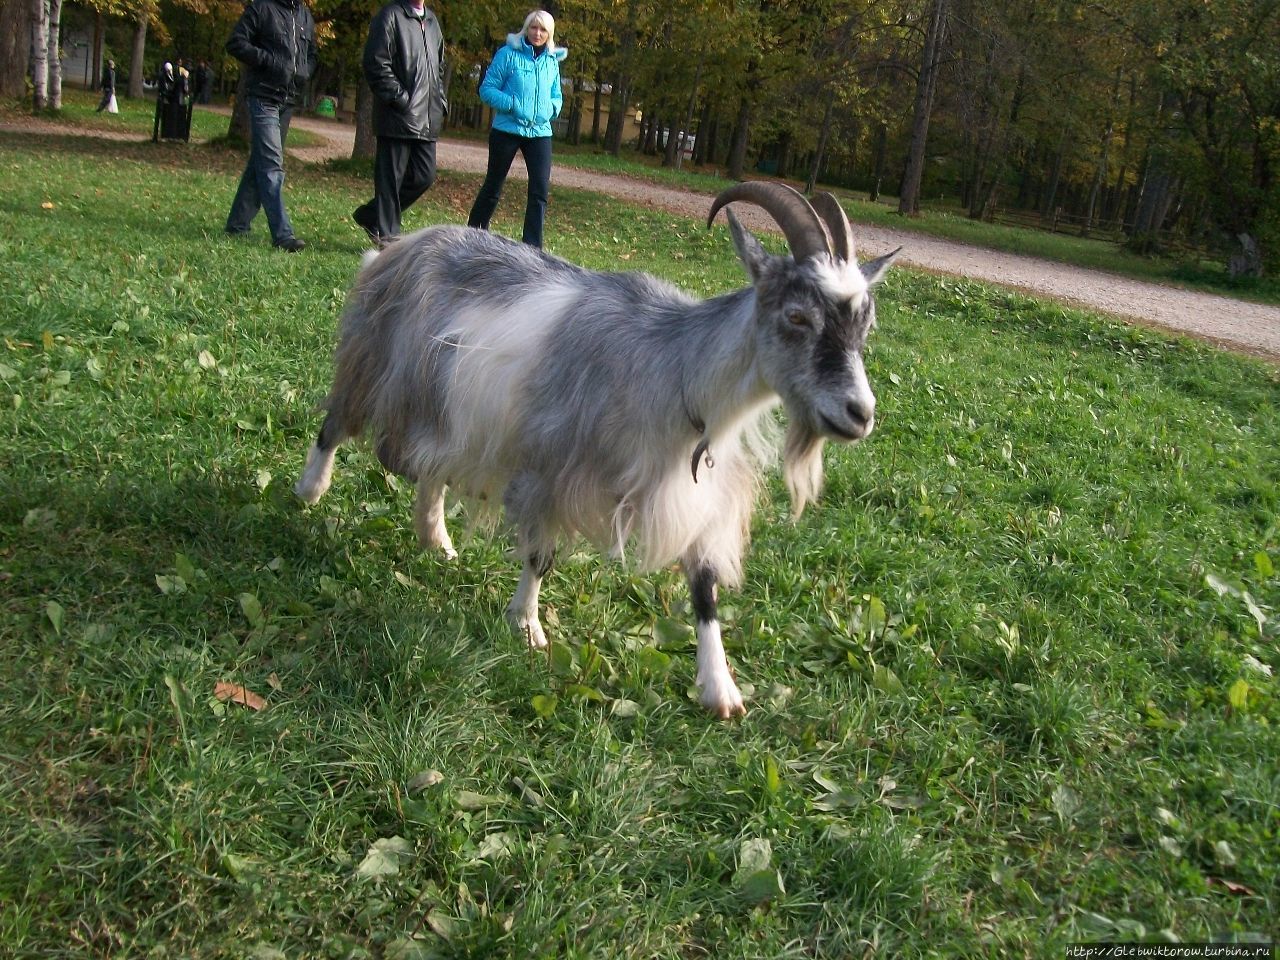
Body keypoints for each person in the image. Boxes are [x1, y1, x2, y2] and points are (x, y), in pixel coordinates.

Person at [223, 0, 318, 253]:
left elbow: (312, 55)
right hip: (263, 96)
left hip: (288, 98)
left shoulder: (305, 15)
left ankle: (237, 224)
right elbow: (236, 43)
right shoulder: (261, 9)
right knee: (271, 164)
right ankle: (283, 234)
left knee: (261, 163)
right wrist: (269, 60)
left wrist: (304, 71)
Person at [466, 10, 566, 249]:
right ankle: (472, 236)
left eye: (543, 30)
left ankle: (532, 248)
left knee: (539, 191)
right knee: (494, 185)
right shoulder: (508, 55)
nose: (537, 33)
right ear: (526, 29)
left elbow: (557, 95)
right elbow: (487, 89)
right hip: (507, 130)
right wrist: (512, 104)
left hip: (540, 133)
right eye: (534, 28)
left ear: (549, 34)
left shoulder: (551, 61)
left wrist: (552, 109)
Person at [352, 0, 447, 247]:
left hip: (427, 117)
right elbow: (375, 63)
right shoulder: (389, 16)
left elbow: (438, 66)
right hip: (397, 115)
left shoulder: (432, 21)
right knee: (390, 181)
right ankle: (387, 239)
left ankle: (371, 216)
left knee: (424, 176)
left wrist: (440, 101)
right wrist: (400, 99)